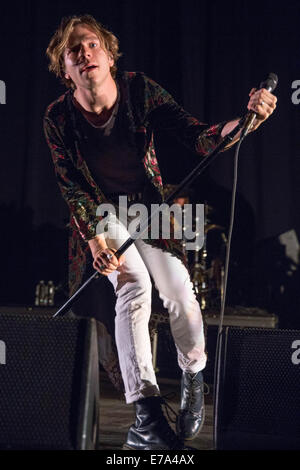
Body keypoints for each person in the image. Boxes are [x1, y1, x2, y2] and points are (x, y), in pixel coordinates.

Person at [44, 14, 277, 450]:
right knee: (134, 287)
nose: (84, 53)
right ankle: (147, 414)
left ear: (109, 55)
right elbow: (71, 186)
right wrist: (96, 241)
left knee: (179, 290)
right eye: (73, 50)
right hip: (101, 213)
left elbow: (200, 137)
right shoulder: (58, 117)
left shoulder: (139, 90)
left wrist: (248, 120)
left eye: (92, 44)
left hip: (148, 207)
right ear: (64, 68)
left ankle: (193, 376)